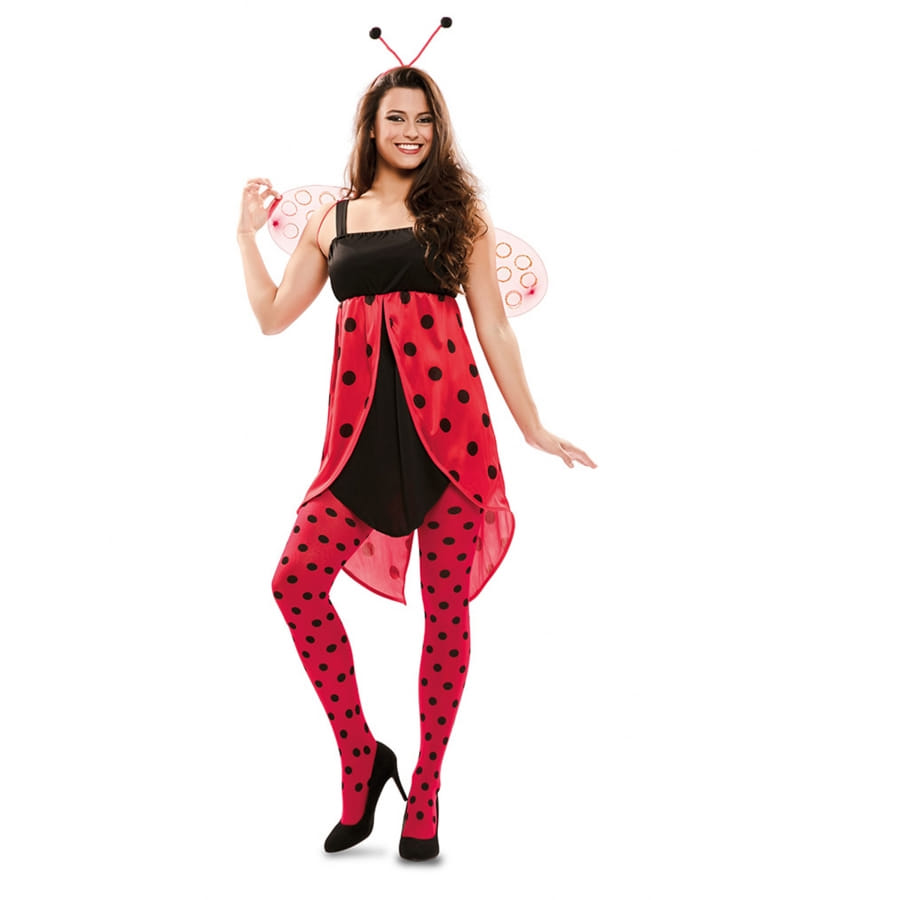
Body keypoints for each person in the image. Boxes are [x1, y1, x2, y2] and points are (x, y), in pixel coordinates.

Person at [236, 65, 595, 861]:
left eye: (424, 120)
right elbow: (272, 317)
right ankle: (361, 757)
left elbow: (495, 328)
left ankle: (426, 787)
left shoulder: (459, 214)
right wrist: (244, 237)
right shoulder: (332, 220)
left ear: (438, 130)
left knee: (446, 613)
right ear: (371, 126)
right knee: (294, 584)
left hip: (452, 440)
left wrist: (532, 425)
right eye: (396, 118)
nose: (411, 132)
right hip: (357, 442)